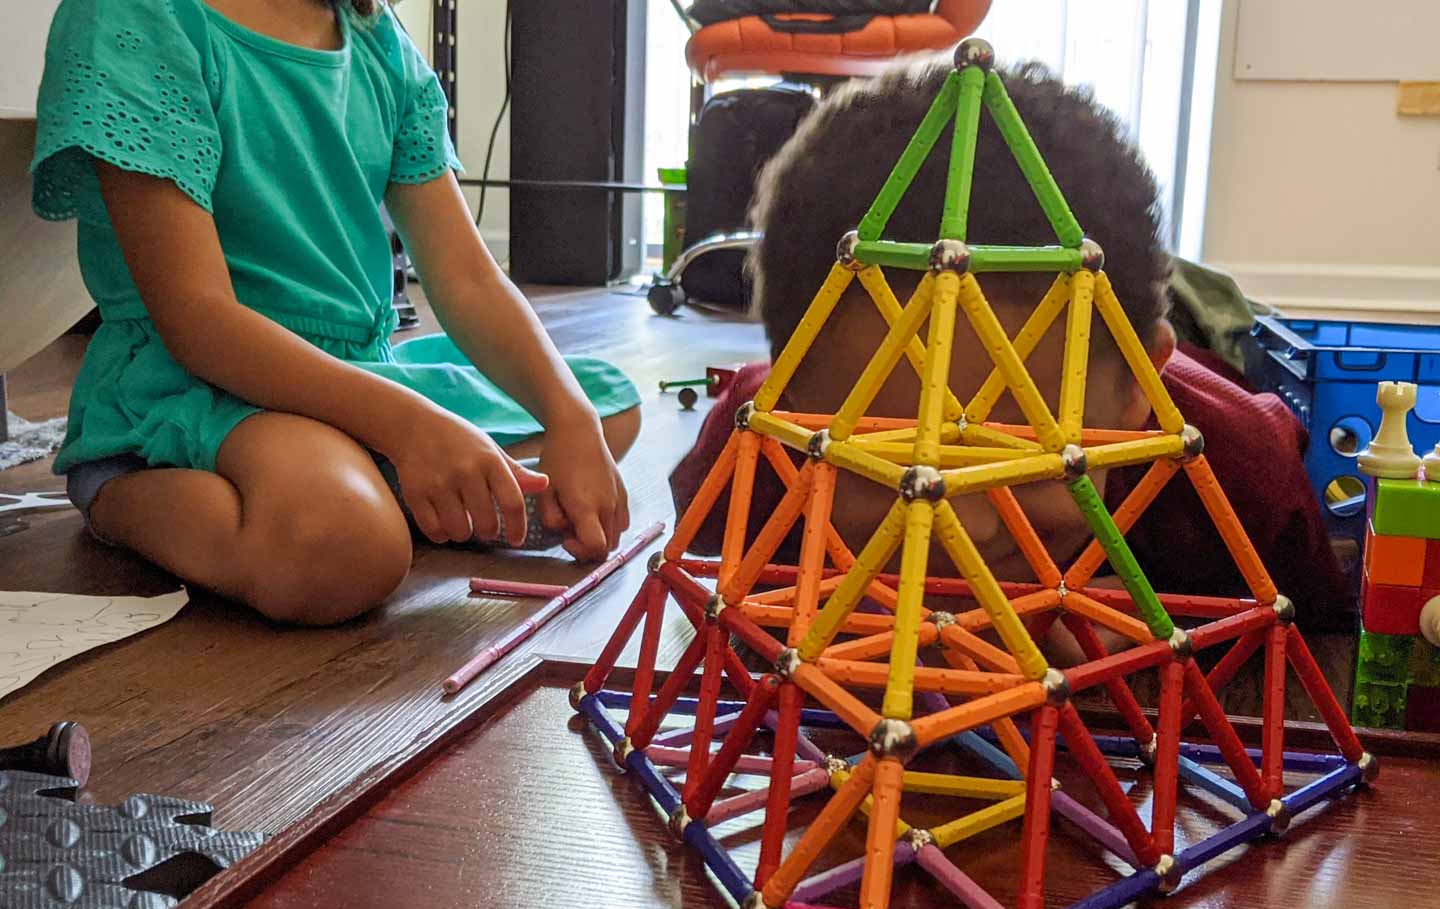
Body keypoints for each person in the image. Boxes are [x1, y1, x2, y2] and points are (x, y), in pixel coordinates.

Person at [671, 59, 1348, 628]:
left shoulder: (1243, 479)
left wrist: (1186, 636)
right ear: (790, 412)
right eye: (891, 453)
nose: (968, 527)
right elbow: (711, 615)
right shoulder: (746, 465)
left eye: (1027, 453)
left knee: (1216, 309)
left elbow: (1318, 653)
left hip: (1192, 334)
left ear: (1137, 395)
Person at [32, 0, 640, 626]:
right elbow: (198, 319)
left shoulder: (379, 42)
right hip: (200, 385)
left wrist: (569, 416)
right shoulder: (134, 18)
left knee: (608, 409)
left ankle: (382, 480)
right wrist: (411, 429)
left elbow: (468, 278)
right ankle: (115, 489)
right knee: (345, 547)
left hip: (354, 380)